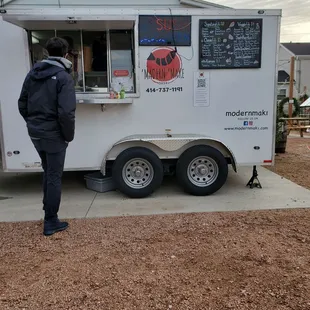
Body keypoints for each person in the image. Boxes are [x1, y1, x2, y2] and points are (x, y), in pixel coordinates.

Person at [18, 37, 76, 236]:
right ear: (66, 54)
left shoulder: (32, 73)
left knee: (47, 171)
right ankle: (51, 221)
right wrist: (68, 136)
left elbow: (22, 103)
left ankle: (47, 212)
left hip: (36, 133)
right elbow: (66, 113)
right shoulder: (63, 77)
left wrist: (33, 123)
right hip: (54, 135)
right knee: (53, 175)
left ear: (47, 52)